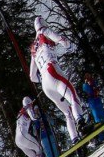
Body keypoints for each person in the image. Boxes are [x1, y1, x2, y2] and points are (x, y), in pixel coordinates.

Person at [30, 16, 83, 144]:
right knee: (74, 98)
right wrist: (69, 46)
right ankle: (81, 122)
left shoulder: (33, 48)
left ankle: (75, 139)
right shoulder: (44, 31)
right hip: (52, 71)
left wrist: (42, 77)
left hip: (45, 84)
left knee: (67, 112)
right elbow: (60, 39)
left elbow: (32, 76)